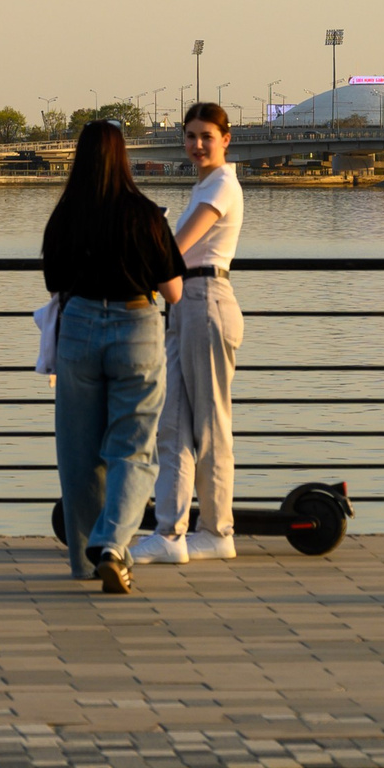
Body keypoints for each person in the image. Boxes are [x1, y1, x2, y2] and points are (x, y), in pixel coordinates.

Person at [41, 118, 184, 594]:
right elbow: (174, 291)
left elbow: (55, 283)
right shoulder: (145, 214)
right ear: (124, 157)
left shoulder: (65, 215)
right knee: (134, 448)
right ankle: (111, 545)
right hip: (137, 326)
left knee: (78, 453)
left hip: (79, 328)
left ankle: (85, 562)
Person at [134, 102, 245, 564]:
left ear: (225, 139)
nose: (198, 145)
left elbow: (175, 249)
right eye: (190, 136)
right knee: (173, 425)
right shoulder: (204, 184)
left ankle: (218, 531)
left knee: (209, 423)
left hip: (207, 302)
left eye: (206, 136)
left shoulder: (222, 185)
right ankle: (169, 534)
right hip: (186, 305)